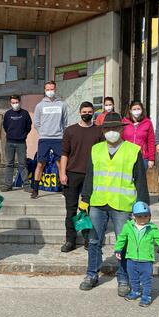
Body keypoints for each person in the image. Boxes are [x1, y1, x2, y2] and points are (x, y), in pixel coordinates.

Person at [78, 112, 149, 296]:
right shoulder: (96, 149)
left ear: (121, 129)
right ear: (103, 131)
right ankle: (91, 275)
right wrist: (84, 200)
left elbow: (141, 181)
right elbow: (90, 176)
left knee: (123, 243)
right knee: (93, 241)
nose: (111, 132)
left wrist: (142, 207)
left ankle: (123, 279)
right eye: (107, 128)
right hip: (98, 202)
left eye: (115, 128)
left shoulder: (133, 150)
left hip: (122, 204)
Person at [114, 202, 159, 307]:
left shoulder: (152, 229)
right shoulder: (128, 226)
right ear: (133, 216)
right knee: (133, 278)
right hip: (131, 259)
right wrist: (118, 250)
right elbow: (121, 239)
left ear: (149, 216)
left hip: (146, 261)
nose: (143, 218)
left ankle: (146, 296)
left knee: (146, 280)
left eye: (146, 216)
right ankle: (135, 291)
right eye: (139, 216)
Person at [60, 101, 104, 252]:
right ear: (80, 112)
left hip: (91, 176)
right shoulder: (70, 131)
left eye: (89, 112)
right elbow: (64, 154)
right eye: (84, 112)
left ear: (93, 113)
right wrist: (62, 173)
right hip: (72, 175)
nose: (87, 114)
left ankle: (87, 239)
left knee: (88, 210)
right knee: (71, 210)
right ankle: (70, 240)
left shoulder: (99, 131)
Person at [31, 81, 68, 199]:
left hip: (58, 138)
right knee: (40, 164)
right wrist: (43, 133)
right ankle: (35, 190)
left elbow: (65, 122)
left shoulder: (62, 104)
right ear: (44, 90)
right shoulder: (39, 105)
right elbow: (36, 123)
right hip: (44, 139)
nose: (50, 91)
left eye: (52, 89)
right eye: (48, 89)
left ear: (55, 89)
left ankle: (64, 189)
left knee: (60, 164)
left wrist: (61, 133)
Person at [1, 95, 32, 192]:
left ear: (20, 102)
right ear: (10, 103)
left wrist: (22, 135)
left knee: (22, 164)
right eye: (13, 103)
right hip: (9, 142)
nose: (15, 104)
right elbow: (5, 126)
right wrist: (11, 135)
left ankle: (26, 185)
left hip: (21, 143)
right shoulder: (7, 114)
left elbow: (28, 127)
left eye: (16, 102)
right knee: (9, 164)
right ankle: (8, 185)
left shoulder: (25, 113)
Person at [122, 101, 155, 170]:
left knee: (140, 179)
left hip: (142, 157)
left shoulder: (147, 123)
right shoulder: (124, 123)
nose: (136, 111)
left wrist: (151, 158)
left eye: (138, 109)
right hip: (127, 157)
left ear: (142, 110)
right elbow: (121, 140)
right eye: (134, 109)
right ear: (130, 111)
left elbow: (151, 141)